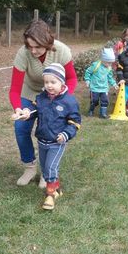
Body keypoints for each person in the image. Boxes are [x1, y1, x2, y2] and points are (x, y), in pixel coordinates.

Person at [9, 19, 78, 188]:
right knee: (21, 128)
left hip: (56, 94)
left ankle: (47, 172)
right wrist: (19, 109)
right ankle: (30, 167)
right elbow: (15, 90)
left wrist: (62, 98)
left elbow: (72, 78)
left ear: (47, 42)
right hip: (30, 92)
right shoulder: (23, 53)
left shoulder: (61, 50)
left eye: (37, 47)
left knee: (50, 130)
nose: (33, 51)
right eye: (29, 46)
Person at [12, 63, 81, 210]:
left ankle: (50, 195)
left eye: (53, 82)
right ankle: (57, 189)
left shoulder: (69, 101)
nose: (49, 85)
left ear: (62, 82)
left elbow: (75, 122)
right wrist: (26, 113)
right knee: (45, 168)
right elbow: (35, 110)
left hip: (57, 142)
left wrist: (65, 134)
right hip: (42, 140)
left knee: (50, 168)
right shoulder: (41, 98)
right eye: (46, 82)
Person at [84, 47, 118, 118]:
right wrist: (87, 80)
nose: (109, 64)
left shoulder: (109, 68)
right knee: (94, 100)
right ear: (103, 60)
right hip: (94, 88)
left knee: (105, 101)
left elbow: (109, 77)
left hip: (104, 88)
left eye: (111, 63)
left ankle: (103, 114)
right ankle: (91, 111)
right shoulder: (96, 65)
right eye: (108, 62)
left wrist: (114, 84)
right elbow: (88, 72)